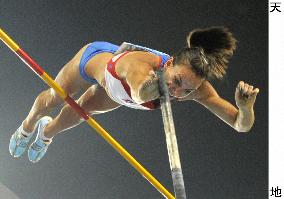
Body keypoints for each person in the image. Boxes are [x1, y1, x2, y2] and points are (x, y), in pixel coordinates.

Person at [9, 26, 259, 163]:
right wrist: (155, 86)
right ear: (169, 64)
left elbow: (240, 125)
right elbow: (140, 94)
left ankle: (45, 134)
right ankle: (26, 128)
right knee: (55, 97)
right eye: (177, 81)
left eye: (187, 90)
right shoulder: (141, 65)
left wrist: (245, 109)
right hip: (96, 64)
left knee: (79, 114)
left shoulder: (196, 90)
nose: (178, 92)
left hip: (116, 95)